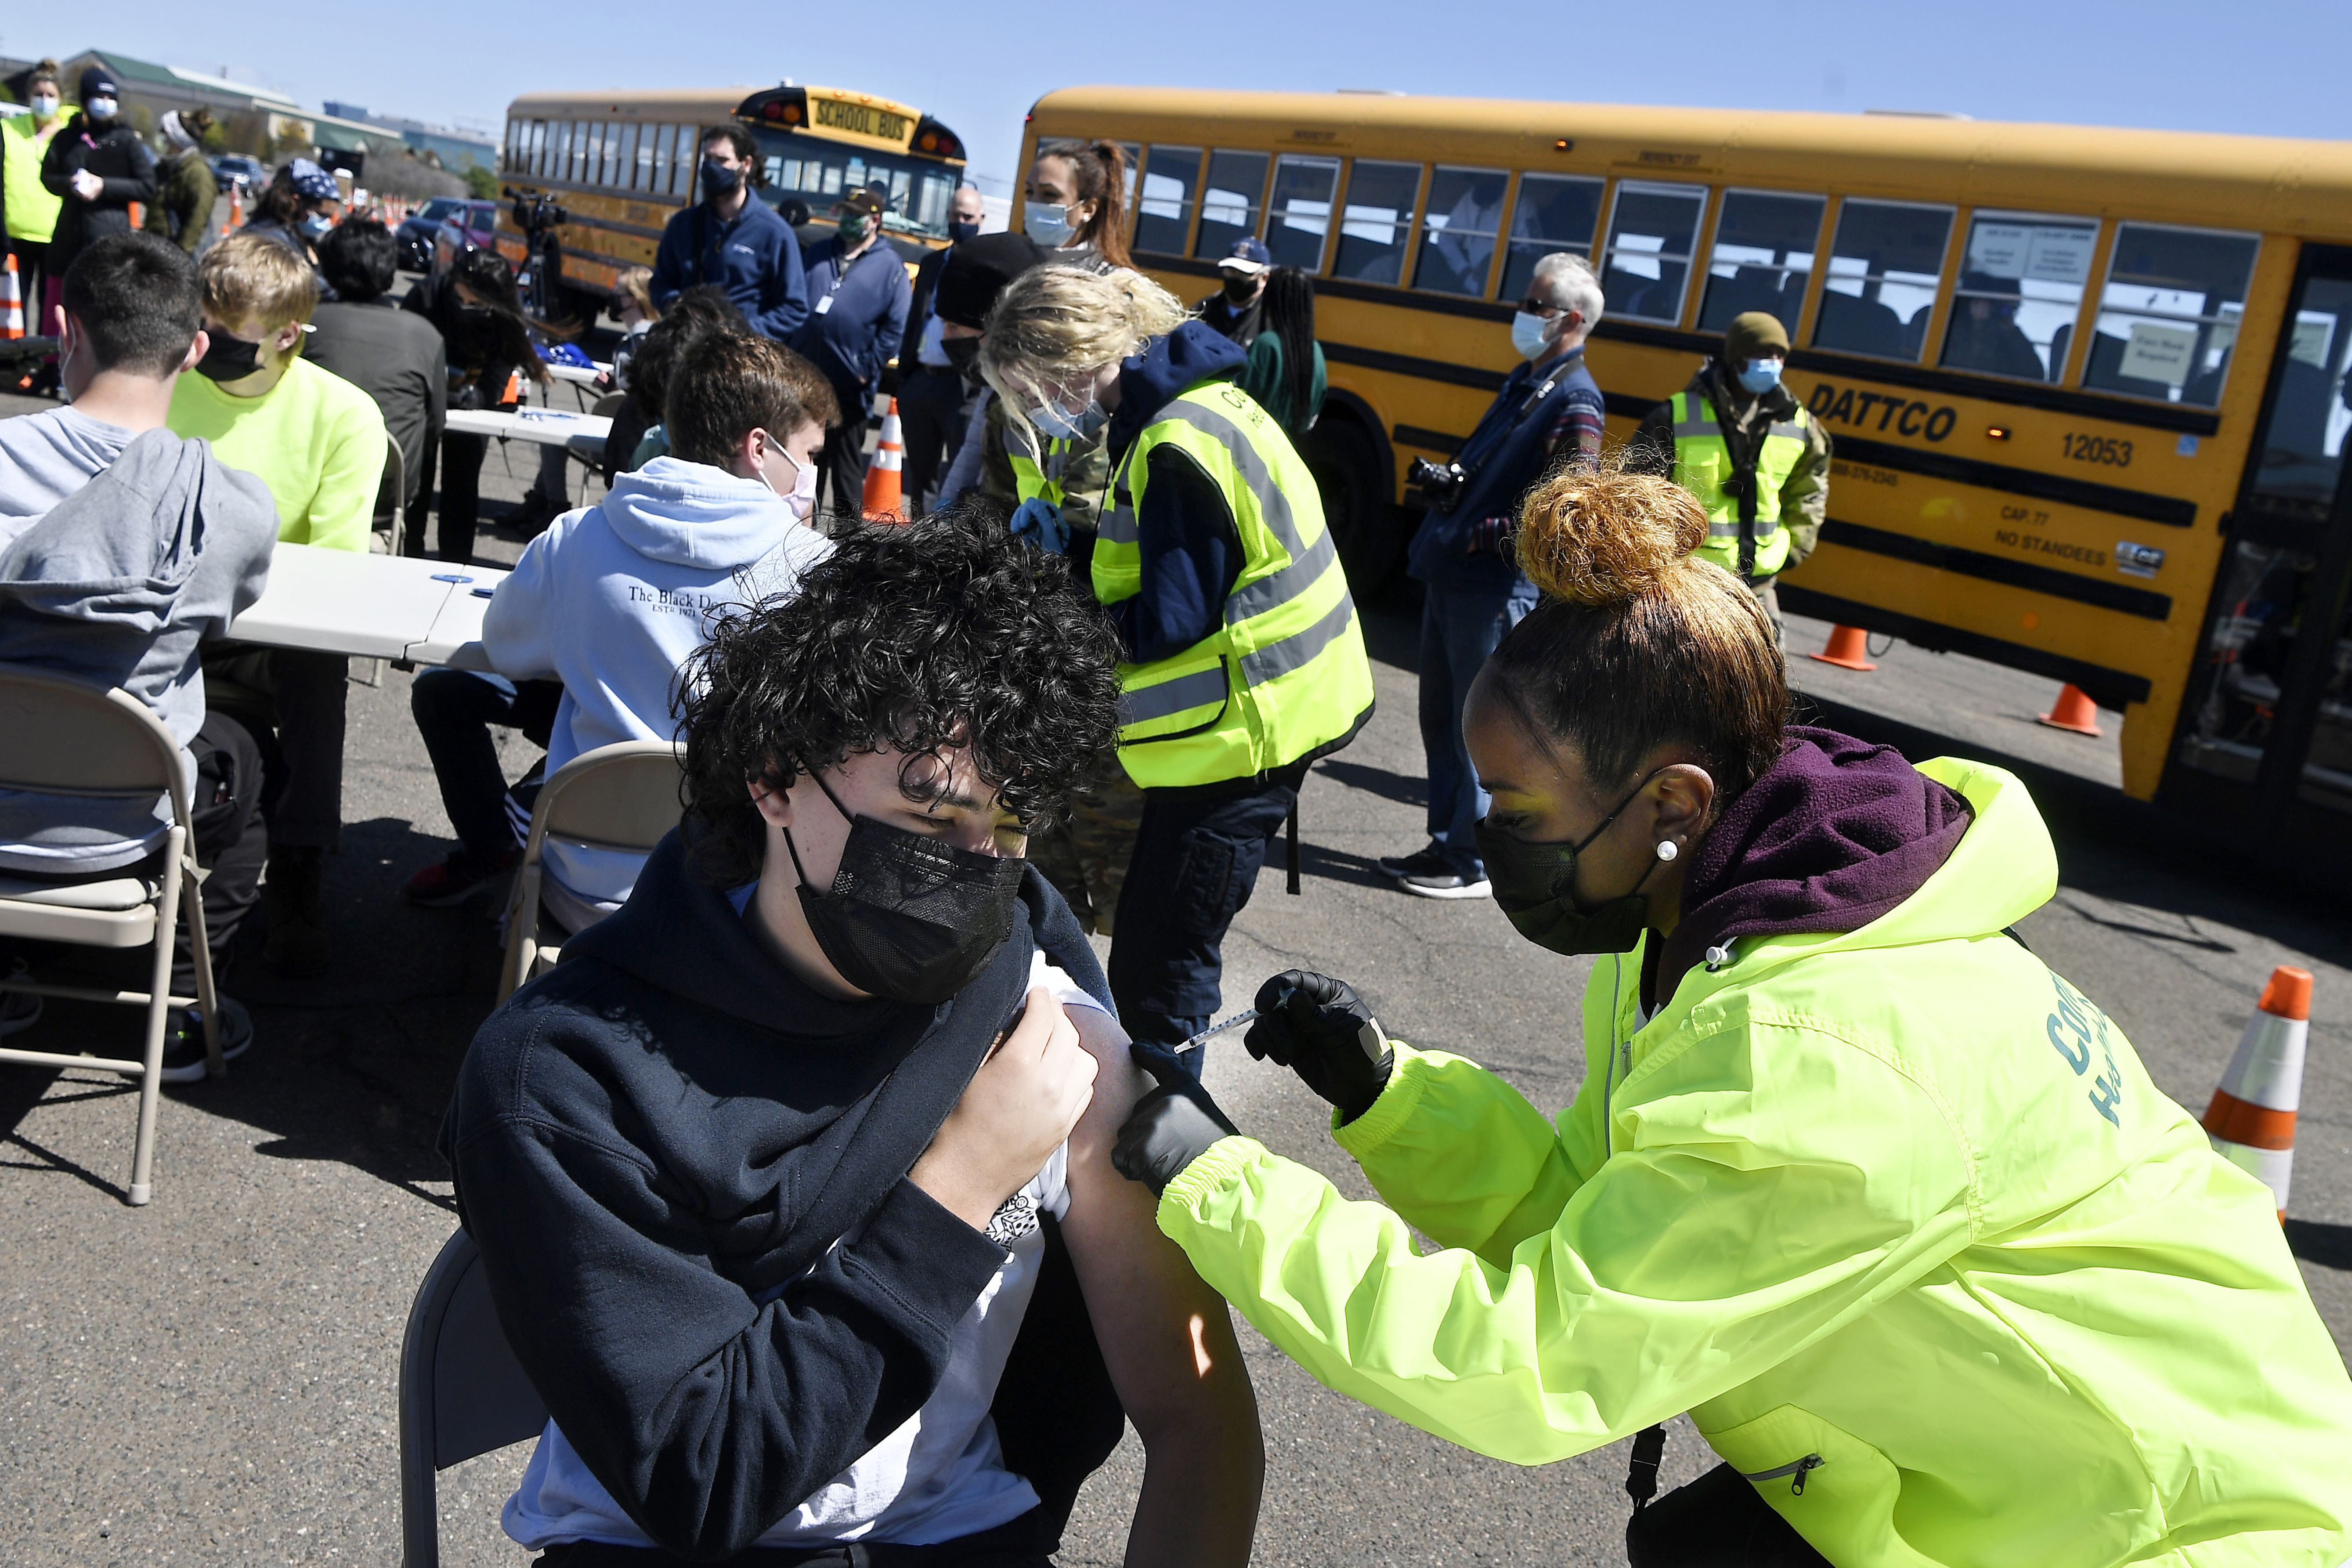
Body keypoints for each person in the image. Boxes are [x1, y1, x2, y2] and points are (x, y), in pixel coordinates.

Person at [1111, 462, 2352, 1568]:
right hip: (1997, 1475)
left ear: (1673, 798)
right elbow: (1611, 1228)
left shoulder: (1818, 1049)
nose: (1490, 840)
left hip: (2173, 1532)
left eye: (1517, 807)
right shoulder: (1711, 923)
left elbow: (1534, 1362)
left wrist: (1217, 1182)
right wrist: (1394, 1096)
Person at [441, 504, 1263, 1566]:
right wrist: (963, 1185)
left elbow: (1202, 1425)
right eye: (930, 820)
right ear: (776, 777)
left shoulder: (1041, 1017)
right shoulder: (566, 1076)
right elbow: (703, 1481)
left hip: (954, 1537)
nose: (974, 868)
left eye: (1008, 830)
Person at [980, 267, 1376, 1059]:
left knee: (1163, 972)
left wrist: (1061, 606)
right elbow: (1184, 569)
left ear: (1061, 363)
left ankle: (1166, 1142)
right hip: (1268, 723)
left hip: (1247, 742)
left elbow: (1169, 620)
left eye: (1030, 391)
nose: (1036, 412)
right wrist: (1081, 547)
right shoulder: (1202, 407)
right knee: (1158, 951)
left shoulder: (1172, 442)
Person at [405, 332, 838, 917]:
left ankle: (495, 849)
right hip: (730, 902)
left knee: (458, 693)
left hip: (577, 883)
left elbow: (506, 648)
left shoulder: (576, 536)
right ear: (758, 448)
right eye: (809, 454)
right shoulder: (811, 568)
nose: (811, 471)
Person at [0, 233, 278, 1071]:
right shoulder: (233, 507)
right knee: (248, 764)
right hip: (125, 823)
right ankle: (187, 1002)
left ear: (63, 326)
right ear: (196, 349)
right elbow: (229, 618)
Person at [167, 232, 388, 977]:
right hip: (173, 616)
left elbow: (333, 570)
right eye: (204, 327)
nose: (208, 347)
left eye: (231, 338)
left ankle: (298, 862)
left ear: (290, 335)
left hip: (272, 626)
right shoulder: (164, 385)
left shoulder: (342, 416)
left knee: (317, 662)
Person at [1382, 251, 1606, 900]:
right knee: (1441, 721)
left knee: (1480, 727)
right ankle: (1446, 841)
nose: (1519, 311)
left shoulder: (1575, 398)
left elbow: (1567, 506)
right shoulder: (1527, 380)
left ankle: (1474, 859)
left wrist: (1481, 533)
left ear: (1567, 319)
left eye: (1532, 304)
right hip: (1455, 577)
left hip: (1490, 586)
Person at [1629, 310, 1828, 643]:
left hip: (1759, 588)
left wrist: (1795, 545)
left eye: (1779, 355)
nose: (1773, 362)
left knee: (1760, 687)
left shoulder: (1798, 423)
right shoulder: (1676, 415)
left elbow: (1809, 489)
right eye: (1762, 353)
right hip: (1688, 584)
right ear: (1736, 358)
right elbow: (1637, 492)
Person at [307, 217, 447, 524]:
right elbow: (435, 425)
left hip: (306, 486)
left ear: (328, 268)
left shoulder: (303, 323)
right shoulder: (424, 335)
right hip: (385, 497)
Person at [413, 247, 548, 563]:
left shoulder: (504, 319)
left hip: (471, 407)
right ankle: (409, 554)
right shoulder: (426, 295)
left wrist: (479, 398)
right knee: (416, 484)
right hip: (422, 401)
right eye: (464, 298)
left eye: (478, 304)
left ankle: (456, 562)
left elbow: (499, 373)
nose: (468, 307)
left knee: (461, 487)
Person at [792, 187, 911, 511]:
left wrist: (865, 368)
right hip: (805, 383)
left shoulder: (890, 268)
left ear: (874, 221)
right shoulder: (818, 252)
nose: (846, 220)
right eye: (844, 213)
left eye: (854, 215)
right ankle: (801, 542)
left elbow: (895, 327)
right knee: (804, 473)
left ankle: (849, 551)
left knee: (845, 479)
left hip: (849, 390)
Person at [647, 125, 806, 342]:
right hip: (685, 348)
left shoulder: (775, 232)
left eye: (722, 160)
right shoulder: (684, 224)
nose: (712, 167)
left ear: (746, 164)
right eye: (707, 158)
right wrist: (679, 308)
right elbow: (660, 284)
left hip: (740, 356)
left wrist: (743, 332)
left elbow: (794, 307)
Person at [929, 233, 1050, 513]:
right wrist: (944, 508)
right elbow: (972, 447)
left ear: (995, 326)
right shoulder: (996, 381)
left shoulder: (1047, 394)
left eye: (955, 326)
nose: (947, 337)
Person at [895, 184, 991, 509]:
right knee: (922, 475)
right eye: (954, 215)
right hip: (921, 380)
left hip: (961, 386)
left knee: (965, 479)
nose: (959, 221)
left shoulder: (985, 269)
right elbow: (915, 320)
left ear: (981, 219)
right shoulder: (932, 263)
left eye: (967, 216)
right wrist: (905, 377)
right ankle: (922, 544)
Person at [39, 67, 155, 311]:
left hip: (109, 239)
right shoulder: (67, 138)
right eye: (99, 98)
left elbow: (147, 186)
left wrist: (104, 186)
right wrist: (70, 184)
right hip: (68, 240)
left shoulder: (126, 141)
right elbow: (48, 176)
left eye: (110, 99)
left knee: (100, 314)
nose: (105, 103)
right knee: (57, 313)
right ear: (85, 101)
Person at [4, 61, 70, 383]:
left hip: (55, 235)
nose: (44, 99)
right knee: (14, 307)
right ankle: (12, 365)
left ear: (61, 98)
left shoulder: (70, 130)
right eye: (38, 93)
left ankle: (47, 368)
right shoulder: (10, 129)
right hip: (16, 233)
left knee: (49, 309)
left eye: (50, 94)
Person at [1235, 265, 1324, 439]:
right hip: (1291, 449)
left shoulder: (1266, 345)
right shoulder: (1316, 351)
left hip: (1257, 442)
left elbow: (1241, 400)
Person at [1022, 140, 1131, 271]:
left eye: (1050, 194)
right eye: (1029, 192)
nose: (1035, 203)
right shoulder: (1013, 266)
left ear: (1088, 209)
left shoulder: (1109, 280)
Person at [241, 158, 342, 290]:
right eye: (322, 215)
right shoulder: (269, 239)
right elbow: (296, 283)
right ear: (296, 202)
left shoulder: (300, 236)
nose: (326, 222)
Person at [144, 110, 217, 257]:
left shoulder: (197, 172)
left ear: (176, 139)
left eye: (165, 133)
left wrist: (181, 255)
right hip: (159, 248)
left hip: (181, 254)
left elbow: (198, 219)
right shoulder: (167, 168)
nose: (161, 138)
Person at [1196, 238, 1270, 346]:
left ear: (1264, 279)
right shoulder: (1203, 310)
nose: (1236, 277)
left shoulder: (1269, 321)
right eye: (1232, 271)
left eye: (1244, 273)